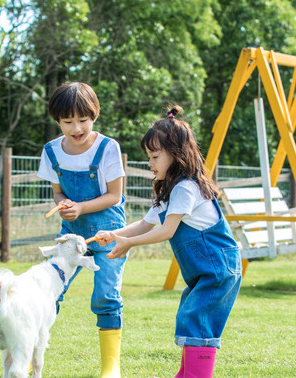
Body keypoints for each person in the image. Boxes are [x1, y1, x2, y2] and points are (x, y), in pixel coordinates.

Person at [94, 105, 242, 378]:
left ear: (175, 154)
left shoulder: (186, 188)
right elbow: (145, 224)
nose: (150, 163)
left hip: (218, 269)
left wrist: (128, 244)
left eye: (154, 156)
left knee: (197, 321)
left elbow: (166, 232)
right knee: (191, 316)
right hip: (205, 271)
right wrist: (115, 235)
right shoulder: (171, 190)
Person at [37, 82, 127, 378]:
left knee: (105, 296)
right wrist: (64, 204)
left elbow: (115, 195)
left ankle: (110, 367)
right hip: (71, 239)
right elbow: (58, 193)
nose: (76, 128)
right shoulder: (51, 151)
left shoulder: (108, 148)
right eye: (67, 122)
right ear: (57, 120)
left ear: (94, 115)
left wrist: (82, 207)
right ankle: (31, 357)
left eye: (82, 120)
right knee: (49, 294)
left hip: (108, 234)